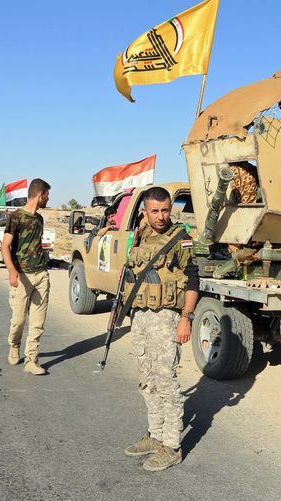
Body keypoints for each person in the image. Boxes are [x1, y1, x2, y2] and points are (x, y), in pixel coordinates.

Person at [123, 186, 199, 472]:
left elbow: (193, 279)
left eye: (165, 210)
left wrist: (186, 317)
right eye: (155, 211)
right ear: (145, 211)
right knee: (147, 377)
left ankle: (172, 445)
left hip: (167, 318)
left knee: (166, 380)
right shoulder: (141, 234)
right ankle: (155, 434)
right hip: (141, 316)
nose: (161, 216)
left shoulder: (181, 238)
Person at [1, 178, 51, 375]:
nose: (48, 199)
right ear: (40, 194)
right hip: (22, 277)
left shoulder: (39, 219)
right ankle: (14, 344)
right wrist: (12, 271)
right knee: (18, 320)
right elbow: (5, 246)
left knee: (38, 322)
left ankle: (31, 359)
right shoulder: (15, 217)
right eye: (47, 195)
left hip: (41, 274)